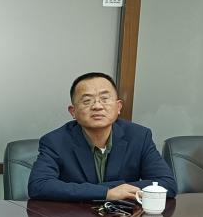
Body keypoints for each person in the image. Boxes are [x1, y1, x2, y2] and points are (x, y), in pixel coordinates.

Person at [27, 72, 177, 202]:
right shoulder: (55, 141)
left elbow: (166, 184)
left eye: (105, 99)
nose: (97, 106)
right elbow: (38, 185)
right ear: (73, 111)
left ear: (118, 107)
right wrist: (106, 193)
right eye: (87, 101)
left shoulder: (139, 136)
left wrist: (109, 191)